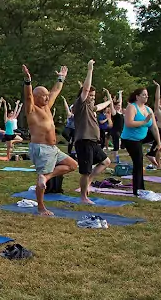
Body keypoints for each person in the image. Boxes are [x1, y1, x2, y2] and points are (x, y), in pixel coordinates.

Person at [23, 64, 78, 216]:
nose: (47, 97)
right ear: (36, 97)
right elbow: (28, 96)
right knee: (41, 180)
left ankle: (46, 177)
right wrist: (28, 81)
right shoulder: (32, 109)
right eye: (43, 96)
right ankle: (41, 207)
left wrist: (61, 78)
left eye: (47, 95)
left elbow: (55, 91)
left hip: (53, 148)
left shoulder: (47, 106)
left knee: (72, 165)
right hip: (41, 148)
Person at [71, 61, 112, 204]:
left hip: (93, 141)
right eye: (91, 96)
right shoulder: (80, 104)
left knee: (106, 161)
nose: (92, 98)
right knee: (85, 171)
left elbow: (100, 106)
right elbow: (86, 89)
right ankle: (83, 197)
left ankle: (89, 182)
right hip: (84, 141)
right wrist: (90, 70)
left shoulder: (90, 107)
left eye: (94, 96)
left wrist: (110, 101)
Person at [121, 87, 161, 196]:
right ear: (137, 96)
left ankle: (140, 188)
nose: (146, 96)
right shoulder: (132, 107)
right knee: (138, 161)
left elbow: (154, 127)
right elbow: (129, 123)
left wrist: (158, 142)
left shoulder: (148, 109)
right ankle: (138, 190)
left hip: (141, 138)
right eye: (144, 94)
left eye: (147, 95)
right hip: (130, 139)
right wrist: (144, 122)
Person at [109, 90, 124, 162]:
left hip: (120, 131)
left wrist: (120, 94)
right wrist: (109, 97)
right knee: (116, 146)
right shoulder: (114, 112)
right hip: (115, 131)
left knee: (118, 145)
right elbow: (111, 105)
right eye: (117, 105)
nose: (119, 106)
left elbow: (120, 102)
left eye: (119, 106)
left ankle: (114, 156)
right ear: (115, 106)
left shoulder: (120, 112)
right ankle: (115, 159)